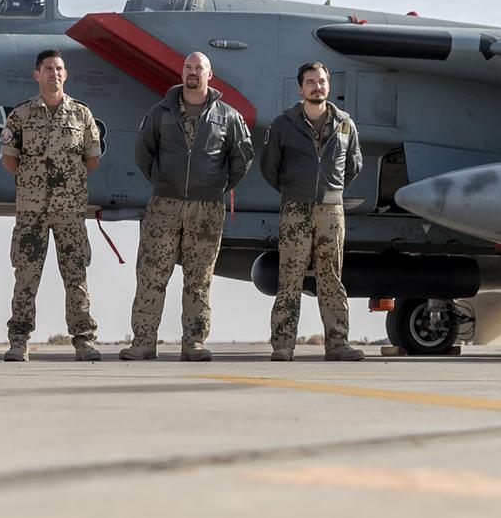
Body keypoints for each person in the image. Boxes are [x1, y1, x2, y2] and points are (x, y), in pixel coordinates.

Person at [121, 52, 253, 361]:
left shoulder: (228, 117)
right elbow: (144, 153)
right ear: (183, 73)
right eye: (188, 67)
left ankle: (193, 342)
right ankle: (143, 342)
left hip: (207, 209)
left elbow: (242, 158)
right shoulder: (161, 112)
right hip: (163, 206)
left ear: (211, 75)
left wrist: (216, 185)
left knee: (199, 278)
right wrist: (164, 182)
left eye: (199, 68)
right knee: (151, 275)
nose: (192, 72)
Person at [0, 50, 103, 362]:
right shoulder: (20, 116)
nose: (54, 73)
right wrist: (35, 184)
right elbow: (9, 159)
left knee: (76, 277)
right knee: (26, 277)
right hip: (31, 211)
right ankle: (18, 341)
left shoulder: (82, 115)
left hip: (69, 212)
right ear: (37, 75)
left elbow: (92, 159)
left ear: (65, 74)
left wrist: (65, 186)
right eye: (47, 68)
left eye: (59, 68)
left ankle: (84, 340)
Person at [260, 60, 364, 361]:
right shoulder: (283, 124)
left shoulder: (345, 124)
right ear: (300, 88)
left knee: (331, 276)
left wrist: (329, 190)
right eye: (310, 82)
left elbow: (353, 166)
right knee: (289, 277)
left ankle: (338, 344)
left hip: (332, 211)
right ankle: (282, 345)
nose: (317, 87)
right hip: (295, 209)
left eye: (321, 81)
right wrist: (296, 189)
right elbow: (270, 168)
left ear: (328, 86)